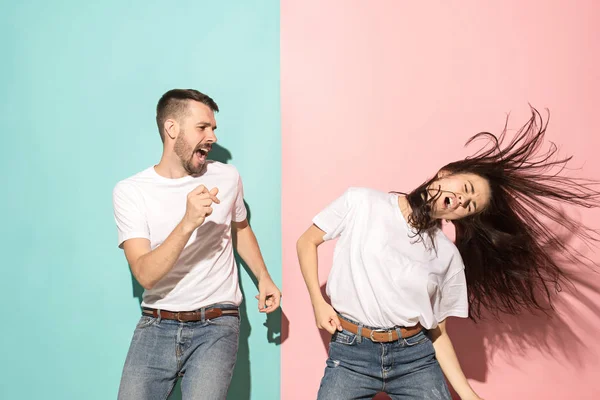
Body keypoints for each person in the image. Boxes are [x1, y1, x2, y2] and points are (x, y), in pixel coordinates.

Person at [297, 107, 600, 400]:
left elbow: (438, 332)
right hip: (351, 353)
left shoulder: (447, 256)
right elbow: (306, 242)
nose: (461, 200)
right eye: (466, 188)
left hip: (413, 358)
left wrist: (468, 394)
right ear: (446, 174)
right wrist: (317, 302)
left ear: (460, 218)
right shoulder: (362, 202)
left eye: (469, 206)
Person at [113, 89, 281, 399]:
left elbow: (241, 228)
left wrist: (264, 277)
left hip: (217, 325)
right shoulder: (132, 192)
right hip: (156, 323)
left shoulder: (228, 177)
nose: (212, 137)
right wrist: (188, 221)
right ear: (172, 129)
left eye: (214, 128)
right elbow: (145, 274)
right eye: (203, 127)